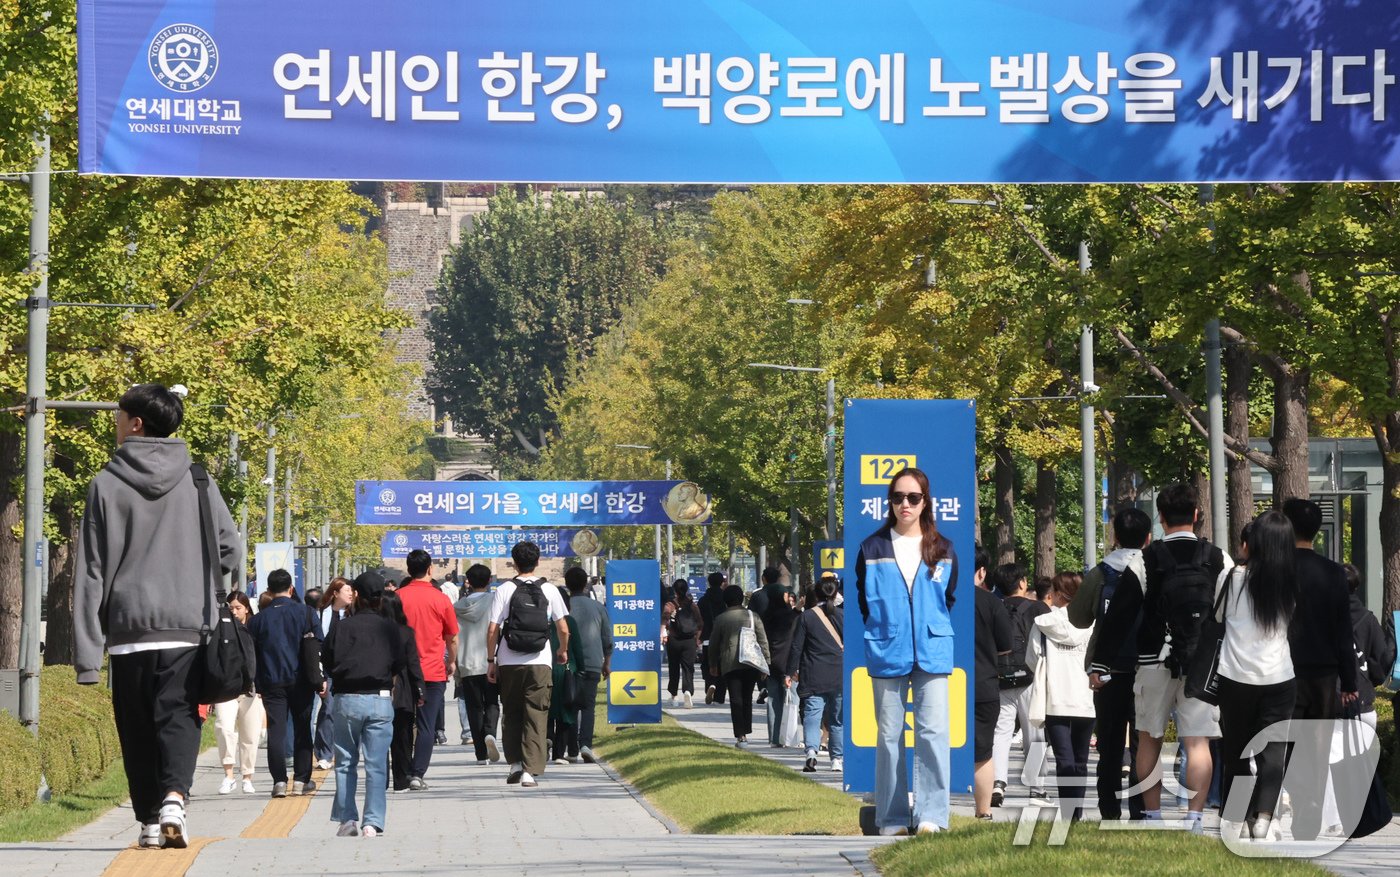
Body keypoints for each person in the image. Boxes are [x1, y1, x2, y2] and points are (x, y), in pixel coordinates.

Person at [73, 383, 239, 849]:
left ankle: (148, 820)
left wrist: (88, 658)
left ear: (136, 424)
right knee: (179, 717)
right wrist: (193, 575)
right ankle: (173, 799)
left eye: (120, 415)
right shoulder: (199, 480)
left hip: (128, 629)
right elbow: (231, 547)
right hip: (188, 627)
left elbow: (91, 571)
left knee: (137, 725)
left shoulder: (105, 484)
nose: (116, 422)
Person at [1094, 483, 1230, 831]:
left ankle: (1152, 816)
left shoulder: (1144, 560)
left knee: (1149, 738)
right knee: (1197, 740)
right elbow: (1230, 612)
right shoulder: (1217, 558)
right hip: (1200, 663)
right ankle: (1195, 818)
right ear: (1197, 516)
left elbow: (1118, 617)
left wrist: (1100, 663)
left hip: (1154, 659)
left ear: (1161, 518)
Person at [856, 467, 958, 836]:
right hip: (887, 648)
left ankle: (932, 816)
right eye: (898, 497)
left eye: (913, 497)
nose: (905, 504)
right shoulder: (872, 547)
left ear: (925, 502)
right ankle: (893, 817)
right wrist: (886, 626)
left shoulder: (942, 548)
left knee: (933, 733)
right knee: (888, 736)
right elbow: (864, 601)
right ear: (890, 502)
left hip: (932, 649)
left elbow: (948, 597)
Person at [1277, 498, 1361, 840]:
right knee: (1318, 745)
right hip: (1325, 675)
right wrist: (1350, 679)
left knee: (1286, 743)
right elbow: (1344, 630)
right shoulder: (1332, 572)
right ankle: (1310, 812)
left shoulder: (1277, 570)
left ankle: (1296, 798)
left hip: (1282, 671)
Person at [1212, 511, 1298, 841]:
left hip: (1235, 676)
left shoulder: (1231, 577)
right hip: (1279, 676)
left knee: (1235, 750)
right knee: (1273, 752)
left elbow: (1218, 616)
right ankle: (1264, 817)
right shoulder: (1291, 581)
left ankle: (1237, 816)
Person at [1069, 506, 1151, 822]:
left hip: (1108, 669)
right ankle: (1141, 809)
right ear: (1147, 538)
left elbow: (1078, 618)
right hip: (1147, 668)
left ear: (1115, 537)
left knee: (1110, 744)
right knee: (1145, 740)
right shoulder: (1152, 571)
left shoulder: (1100, 573)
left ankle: (1109, 811)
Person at [321, 571, 407, 838]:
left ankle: (348, 820)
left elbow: (328, 659)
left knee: (345, 761)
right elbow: (399, 663)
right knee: (377, 763)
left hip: (347, 699)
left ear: (356, 594)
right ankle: (373, 821)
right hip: (380, 699)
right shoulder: (391, 628)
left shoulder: (342, 626)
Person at [487, 541, 570, 789]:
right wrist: (562, 650)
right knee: (536, 714)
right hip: (540, 661)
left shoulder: (505, 589)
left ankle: (514, 763)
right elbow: (563, 628)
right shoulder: (550, 590)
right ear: (538, 562)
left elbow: (493, 629)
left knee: (512, 711)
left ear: (514, 562)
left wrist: (491, 661)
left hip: (509, 660)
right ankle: (530, 772)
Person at [247, 568, 323, 799]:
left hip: (271, 682)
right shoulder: (306, 613)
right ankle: (301, 780)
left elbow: (252, 654)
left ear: (268, 591)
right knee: (302, 729)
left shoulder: (258, 620)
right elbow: (318, 645)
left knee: (276, 730)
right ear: (291, 588)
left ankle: (279, 781)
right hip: (301, 680)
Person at [1029, 572, 1095, 822]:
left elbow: (1032, 658)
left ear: (1057, 594)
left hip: (1056, 698)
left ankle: (1068, 814)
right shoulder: (1092, 623)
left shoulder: (1043, 623)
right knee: (1080, 760)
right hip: (1086, 699)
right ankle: (1076, 813)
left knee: (1063, 759)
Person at [394, 549, 459, 791]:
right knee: (426, 725)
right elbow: (452, 637)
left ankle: (399, 773)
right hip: (432, 671)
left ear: (408, 569)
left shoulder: (397, 597)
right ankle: (416, 774)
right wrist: (451, 661)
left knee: (400, 724)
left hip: (401, 673)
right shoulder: (440, 599)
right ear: (430, 569)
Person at [988, 561, 1050, 805]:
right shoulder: (1038, 608)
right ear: (1022, 583)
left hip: (1000, 677)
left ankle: (998, 783)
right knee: (1034, 732)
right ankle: (1036, 787)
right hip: (1030, 677)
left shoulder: (994, 605)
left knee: (1001, 732)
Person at [786, 574, 847, 774]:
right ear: (836, 593)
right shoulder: (843, 616)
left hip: (813, 673)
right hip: (839, 673)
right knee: (837, 719)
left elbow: (797, 647)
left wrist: (790, 672)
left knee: (812, 715)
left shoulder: (807, 616)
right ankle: (837, 759)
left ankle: (811, 753)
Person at [973, 549, 1012, 820]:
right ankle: (982, 811)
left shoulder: (938, 597)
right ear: (982, 571)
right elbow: (1005, 647)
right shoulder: (992, 603)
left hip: (941, 685)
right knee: (983, 753)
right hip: (984, 685)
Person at [214, 592, 264, 796]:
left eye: (238, 608)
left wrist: (261, 686)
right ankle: (228, 775)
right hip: (225, 689)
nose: (234, 612)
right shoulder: (220, 630)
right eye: (231, 608)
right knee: (224, 728)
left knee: (250, 735)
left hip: (251, 689)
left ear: (247, 609)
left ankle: (247, 777)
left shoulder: (254, 630)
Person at [708, 584, 769, 747]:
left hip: (730, 663)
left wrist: (713, 664)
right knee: (747, 697)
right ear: (742, 598)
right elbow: (762, 641)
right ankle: (746, 729)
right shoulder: (752, 616)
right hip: (751, 662)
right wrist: (766, 664)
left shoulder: (721, 619)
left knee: (736, 699)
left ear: (725, 601)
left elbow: (713, 644)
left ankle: (741, 735)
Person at [564, 565, 613, 763]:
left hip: (568, 663)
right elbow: (607, 637)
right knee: (588, 706)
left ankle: (572, 750)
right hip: (593, 662)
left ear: (567, 585)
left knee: (569, 706)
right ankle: (586, 744)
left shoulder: (563, 606)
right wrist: (607, 662)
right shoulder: (598, 607)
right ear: (586, 584)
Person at [454, 564, 501, 763]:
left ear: (468, 582)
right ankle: (490, 732)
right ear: (489, 580)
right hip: (490, 661)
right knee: (491, 702)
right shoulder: (495, 601)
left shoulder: (457, 607)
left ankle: (480, 753)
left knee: (473, 707)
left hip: (466, 662)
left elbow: (453, 637)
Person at [380, 591, 424, 794]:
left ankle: (380, 781)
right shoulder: (406, 632)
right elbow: (414, 664)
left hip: (377, 688)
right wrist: (420, 690)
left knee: (378, 739)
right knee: (403, 737)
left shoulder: (374, 630)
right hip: (403, 691)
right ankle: (401, 780)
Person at [312, 577, 356, 771]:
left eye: (352, 591)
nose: (351, 594)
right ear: (335, 593)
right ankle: (323, 753)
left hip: (349, 670)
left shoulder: (354, 614)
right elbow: (317, 644)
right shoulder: (321, 614)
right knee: (328, 710)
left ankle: (345, 749)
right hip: (328, 669)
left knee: (347, 712)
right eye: (347, 590)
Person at [759, 580, 800, 747]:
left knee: (773, 700)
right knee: (792, 699)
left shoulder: (764, 616)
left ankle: (774, 738)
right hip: (788, 663)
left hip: (770, 664)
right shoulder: (789, 615)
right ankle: (789, 736)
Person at [547, 589, 584, 763]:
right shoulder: (569, 622)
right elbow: (577, 648)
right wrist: (582, 670)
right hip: (567, 670)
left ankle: (545, 742)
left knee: (545, 711)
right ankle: (559, 753)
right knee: (565, 713)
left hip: (545, 669)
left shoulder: (543, 622)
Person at [663, 579, 703, 708]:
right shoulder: (692, 605)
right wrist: (697, 639)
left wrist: (664, 632)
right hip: (689, 641)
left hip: (673, 641)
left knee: (673, 668)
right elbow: (700, 624)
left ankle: (674, 696)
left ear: (674, 590)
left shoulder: (670, 605)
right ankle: (687, 692)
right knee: (688, 668)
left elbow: (664, 621)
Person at [699, 571, 729, 704]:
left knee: (707, 664)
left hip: (708, 637)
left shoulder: (703, 600)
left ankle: (710, 684)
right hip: (724, 637)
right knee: (722, 667)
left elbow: (699, 620)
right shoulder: (726, 598)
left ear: (709, 583)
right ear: (722, 582)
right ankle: (720, 696)